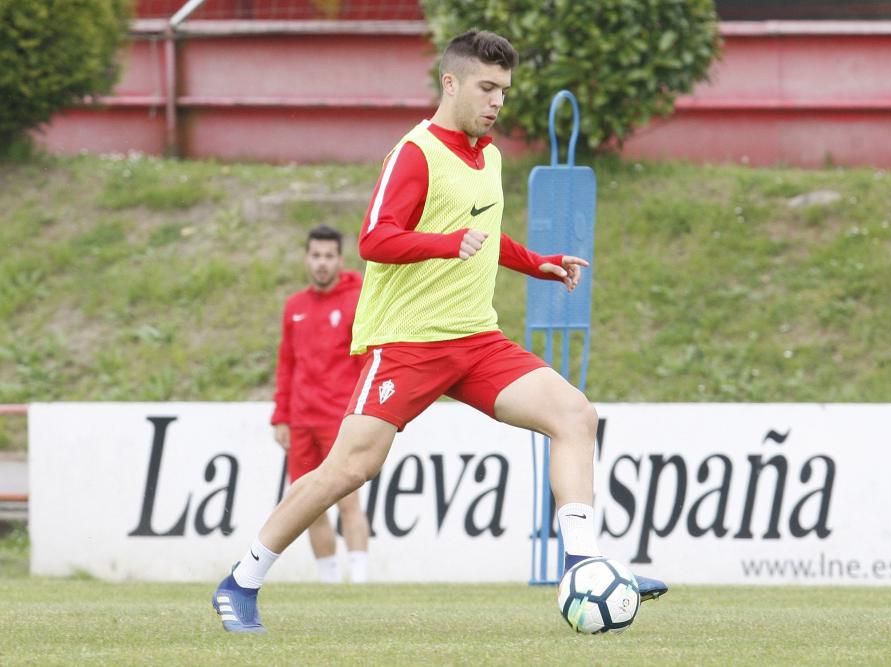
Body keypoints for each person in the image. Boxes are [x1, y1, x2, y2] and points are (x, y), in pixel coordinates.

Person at [212, 29, 667, 633]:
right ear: (450, 83)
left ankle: (585, 565)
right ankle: (240, 582)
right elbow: (376, 237)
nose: (496, 101)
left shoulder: (491, 156)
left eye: (503, 90)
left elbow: (483, 236)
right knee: (348, 470)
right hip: (409, 343)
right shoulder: (415, 152)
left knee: (575, 415)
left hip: (477, 342)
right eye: (485, 87)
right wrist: (445, 244)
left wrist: (539, 263)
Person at [270, 224, 370, 584]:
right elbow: (287, 364)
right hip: (301, 421)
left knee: (348, 502)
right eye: (316, 256)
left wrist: (365, 413)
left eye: (329, 256)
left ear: (340, 260)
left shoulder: (356, 299)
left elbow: (365, 361)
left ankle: (359, 581)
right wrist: (281, 416)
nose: (322, 263)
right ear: (306, 259)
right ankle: (329, 583)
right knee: (310, 507)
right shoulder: (294, 307)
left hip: (341, 420)